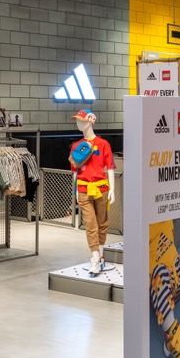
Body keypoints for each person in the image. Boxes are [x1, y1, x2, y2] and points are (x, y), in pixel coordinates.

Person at [69, 110, 115, 274]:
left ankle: (100, 255)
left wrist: (113, 189)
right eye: (77, 121)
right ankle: (94, 257)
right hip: (83, 189)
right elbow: (74, 171)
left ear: (90, 121)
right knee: (90, 224)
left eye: (82, 120)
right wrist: (75, 190)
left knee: (102, 223)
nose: (79, 123)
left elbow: (110, 167)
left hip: (101, 189)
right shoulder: (76, 146)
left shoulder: (103, 144)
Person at [149, 219, 180, 358]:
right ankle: (171, 337)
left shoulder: (166, 217)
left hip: (177, 270)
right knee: (159, 271)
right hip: (161, 283)